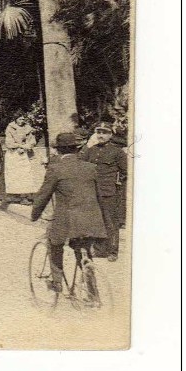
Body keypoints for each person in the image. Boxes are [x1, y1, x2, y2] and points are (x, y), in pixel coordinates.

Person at [31, 132, 108, 292]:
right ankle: (93, 293)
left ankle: (57, 282)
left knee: (54, 244)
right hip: (91, 219)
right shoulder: (91, 168)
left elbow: (43, 196)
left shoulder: (55, 169)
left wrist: (34, 214)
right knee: (83, 250)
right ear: (76, 149)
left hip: (67, 221)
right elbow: (100, 197)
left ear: (58, 151)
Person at [80, 122, 127, 261]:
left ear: (110, 135)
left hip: (109, 192)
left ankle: (113, 251)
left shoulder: (117, 152)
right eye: (98, 132)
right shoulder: (91, 150)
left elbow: (125, 172)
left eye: (104, 132)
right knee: (96, 221)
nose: (101, 135)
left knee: (111, 222)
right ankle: (100, 250)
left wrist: (117, 186)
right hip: (92, 191)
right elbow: (82, 167)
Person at [0, 113, 43, 207]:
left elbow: (32, 141)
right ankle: (14, 195)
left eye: (23, 119)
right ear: (15, 120)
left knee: (25, 175)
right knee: (13, 175)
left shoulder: (27, 128)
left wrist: (26, 147)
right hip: (13, 154)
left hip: (24, 153)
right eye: (19, 119)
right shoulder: (10, 128)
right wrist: (19, 146)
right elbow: (9, 142)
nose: (21, 121)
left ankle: (24, 196)